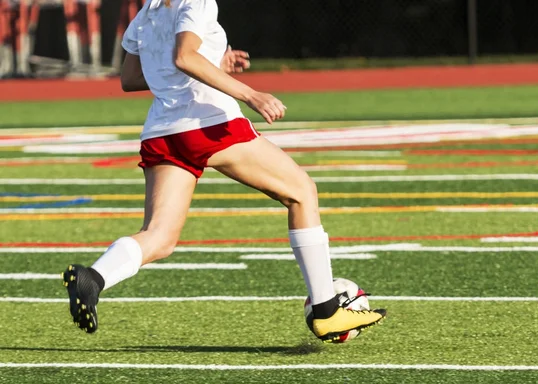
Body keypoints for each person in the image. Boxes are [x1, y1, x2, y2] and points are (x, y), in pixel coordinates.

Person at [62, 0, 386, 343]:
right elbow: (185, 57)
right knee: (301, 192)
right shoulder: (197, 1)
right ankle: (326, 310)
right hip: (208, 124)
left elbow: (130, 78)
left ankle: (93, 278)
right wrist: (251, 94)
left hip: (163, 130)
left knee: (159, 237)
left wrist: (215, 63)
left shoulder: (148, 11)